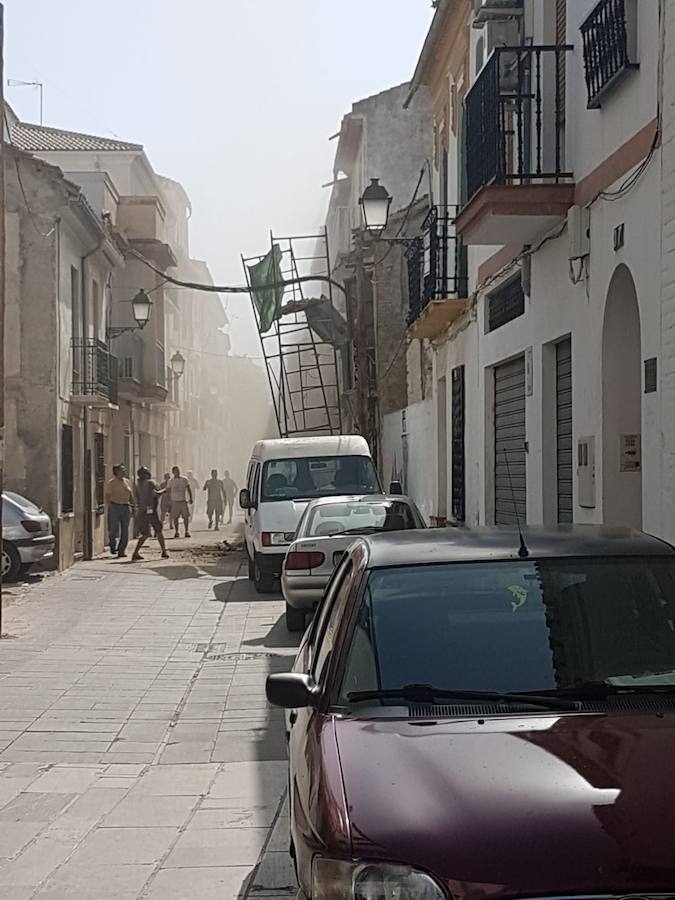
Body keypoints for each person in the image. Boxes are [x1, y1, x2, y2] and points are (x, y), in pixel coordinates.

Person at [132, 467, 169, 561]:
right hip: (151, 510)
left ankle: (135, 552)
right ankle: (164, 551)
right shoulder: (150, 483)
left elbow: (136, 498)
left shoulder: (137, 485)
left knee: (145, 533)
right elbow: (155, 494)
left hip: (142, 511)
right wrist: (164, 491)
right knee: (158, 530)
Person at [104, 464, 134, 558]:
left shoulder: (127, 482)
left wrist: (133, 506)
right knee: (114, 529)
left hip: (125, 507)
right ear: (116, 472)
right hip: (115, 506)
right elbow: (107, 496)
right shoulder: (111, 483)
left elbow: (131, 495)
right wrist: (111, 507)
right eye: (122, 470)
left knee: (125, 530)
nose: (124, 471)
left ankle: (121, 550)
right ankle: (112, 544)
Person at [169, 465, 193, 538]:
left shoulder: (184, 479)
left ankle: (186, 531)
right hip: (175, 501)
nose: (178, 472)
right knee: (175, 517)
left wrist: (191, 498)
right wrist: (169, 501)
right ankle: (176, 531)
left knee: (185, 517)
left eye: (178, 471)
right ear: (173, 472)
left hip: (183, 500)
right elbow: (168, 491)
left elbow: (188, 489)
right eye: (176, 471)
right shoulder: (171, 481)